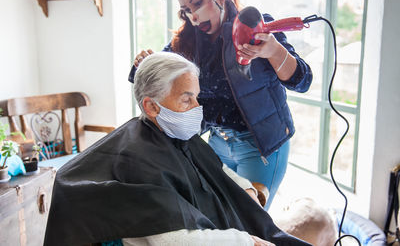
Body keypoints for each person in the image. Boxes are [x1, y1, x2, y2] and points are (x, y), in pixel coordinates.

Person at [44, 52, 310, 246]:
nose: (197, 108)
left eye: (196, 97)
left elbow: (214, 170)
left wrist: (245, 187)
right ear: (151, 106)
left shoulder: (175, 133)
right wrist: (245, 242)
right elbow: (174, 240)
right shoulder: (136, 159)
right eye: (186, 99)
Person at [130, 0, 312, 210]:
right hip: (217, 142)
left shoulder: (256, 28)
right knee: (217, 215)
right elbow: (157, 70)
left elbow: (303, 81)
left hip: (260, 147)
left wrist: (274, 51)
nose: (193, 17)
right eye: (186, 11)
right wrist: (143, 62)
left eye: (197, 4)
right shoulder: (188, 40)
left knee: (250, 222)